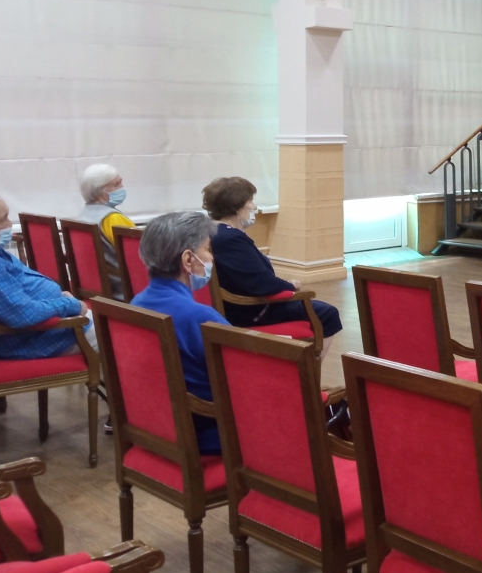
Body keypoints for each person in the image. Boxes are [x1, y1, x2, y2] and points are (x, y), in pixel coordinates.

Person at [203, 177, 343, 354]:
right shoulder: (231, 238)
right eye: (250, 201)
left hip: (232, 307)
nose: (254, 206)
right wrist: (290, 286)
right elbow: (260, 283)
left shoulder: (211, 232)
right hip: (250, 311)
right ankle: (311, 370)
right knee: (328, 313)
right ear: (236, 207)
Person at [131, 210, 230, 455]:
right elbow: (243, 379)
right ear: (188, 260)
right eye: (207, 249)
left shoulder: (135, 304)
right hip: (209, 432)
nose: (211, 257)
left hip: (157, 427)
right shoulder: (200, 317)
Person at [0, 192, 96, 358]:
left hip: (43, 324)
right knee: (117, 337)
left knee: (109, 321)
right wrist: (70, 305)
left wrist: (59, 300)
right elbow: (23, 314)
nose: (9, 224)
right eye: (3, 219)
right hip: (33, 339)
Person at [76, 164, 136, 299]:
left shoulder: (84, 215)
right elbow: (140, 257)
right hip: (124, 292)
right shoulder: (113, 219)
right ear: (100, 191)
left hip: (97, 290)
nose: (122, 187)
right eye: (116, 184)